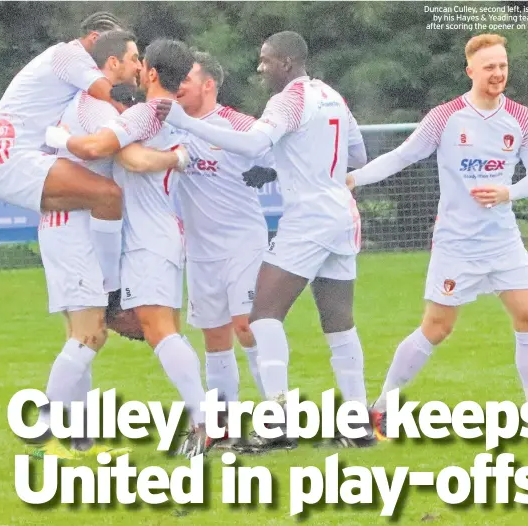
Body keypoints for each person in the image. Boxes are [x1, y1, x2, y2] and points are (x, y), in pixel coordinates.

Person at [156, 31, 373, 450]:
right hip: (342, 214)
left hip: (308, 217)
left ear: (287, 63)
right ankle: (357, 424)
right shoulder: (332, 95)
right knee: (339, 322)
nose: (260, 68)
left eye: (266, 60)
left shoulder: (288, 99)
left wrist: (184, 122)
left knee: (263, 316)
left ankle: (277, 423)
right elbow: (357, 157)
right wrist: (295, 167)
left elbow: (256, 142)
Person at [346, 34, 528, 437]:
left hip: (503, 241)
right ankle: (381, 408)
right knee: (437, 327)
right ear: (470, 71)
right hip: (456, 243)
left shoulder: (522, 118)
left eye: (502, 66)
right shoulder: (445, 117)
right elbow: (403, 155)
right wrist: (355, 179)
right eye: (489, 68)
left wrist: (507, 192)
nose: (498, 74)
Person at [46, 39, 210, 458]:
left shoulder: (144, 112)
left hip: (148, 239)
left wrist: (57, 138)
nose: (137, 70)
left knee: (159, 331)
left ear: (152, 73)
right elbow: (139, 156)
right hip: (160, 235)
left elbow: (114, 153)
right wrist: (175, 157)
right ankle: (199, 424)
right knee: (157, 330)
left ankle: (205, 424)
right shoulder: (166, 114)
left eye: (142, 63)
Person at [0, 11, 129, 295]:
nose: (114, 58)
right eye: (113, 49)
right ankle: (112, 288)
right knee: (108, 195)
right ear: (94, 38)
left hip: (9, 153)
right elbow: (109, 93)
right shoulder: (71, 55)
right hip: (12, 154)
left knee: (94, 203)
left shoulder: (63, 58)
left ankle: (95, 289)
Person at [175, 51, 273, 442]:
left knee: (247, 326)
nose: (178, 86)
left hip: (243, 243)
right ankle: (222, 426)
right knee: (215, 338)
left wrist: (272, 167)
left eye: (186, 79)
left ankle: (276, 418)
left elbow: (278, 151)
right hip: (199, 250)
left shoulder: (238, 124)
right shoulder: (171, 127)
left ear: (208, 84)